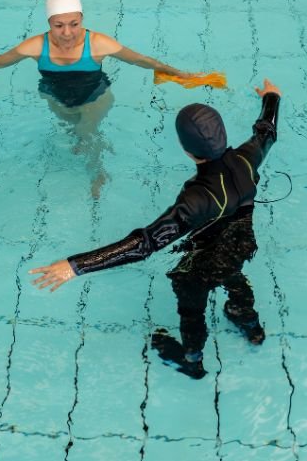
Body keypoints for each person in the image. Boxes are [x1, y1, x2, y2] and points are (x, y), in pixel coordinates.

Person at [29, 79, 282, 379]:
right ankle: (250, 325)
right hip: (241, 244)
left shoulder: (196, 198)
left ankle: (192, 358)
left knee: (191, 305)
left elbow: (144, 244)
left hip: (203, 264)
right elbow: (266, 132)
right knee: (234, 274)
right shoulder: (246, 157)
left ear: (187, 151)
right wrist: (272, 97)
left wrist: (76, 266)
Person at [0, 0, 212, 198]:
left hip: (95, 95)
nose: (68, 33)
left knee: (86, 131)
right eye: (59, 25)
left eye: (74, 24)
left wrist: (179, 74)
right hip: (55, 96)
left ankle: (98, 174)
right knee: (77, 131)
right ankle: (90, 142)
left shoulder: (98, 43)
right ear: (49, 23)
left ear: (82, 19)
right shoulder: (36, 46)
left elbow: (141, 60)